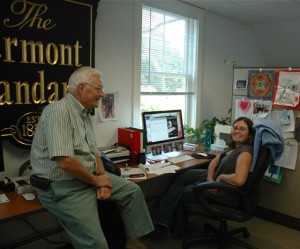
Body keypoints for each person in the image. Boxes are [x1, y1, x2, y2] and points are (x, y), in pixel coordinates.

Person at [30, 66, 154, 249]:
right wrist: (98, 182)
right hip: (63, 185)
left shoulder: (84, 112)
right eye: (99, 89)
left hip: (87, 177)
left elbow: (94, 151)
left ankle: (130, 240)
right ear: (81, 88)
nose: (103, 94)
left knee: (132, 192)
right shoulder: (58, 112)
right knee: (95, 244)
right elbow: (65, 162)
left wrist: (102, 176)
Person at [151, 116, 255, 238]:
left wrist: (220, 178)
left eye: (242, 129)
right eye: (235, 128)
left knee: (179, 192)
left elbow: (239, 180)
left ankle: (170, 228)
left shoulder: (245, 153)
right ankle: (162, 222)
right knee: (181, 177)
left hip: (222, 191)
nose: (237, 131)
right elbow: (214, 162)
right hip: (213, 180)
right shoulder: (234, 149)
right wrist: (210, 178)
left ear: (249, 135)